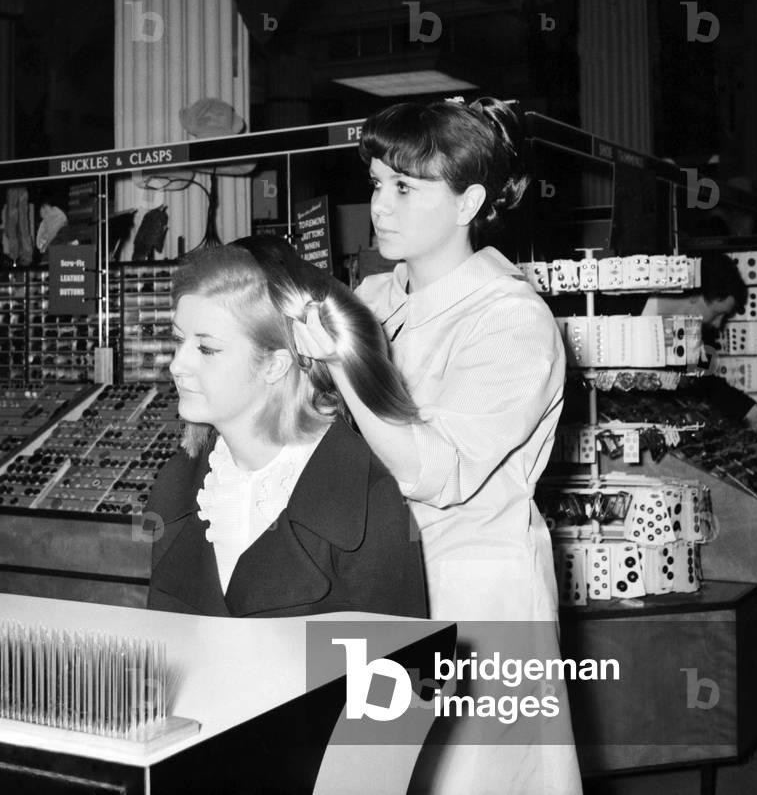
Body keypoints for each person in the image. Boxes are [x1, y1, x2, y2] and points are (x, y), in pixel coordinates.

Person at [295, 96, 582, 795]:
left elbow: (436, 469)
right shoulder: (373, 297)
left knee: (467, 778)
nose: (379, 206)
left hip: (472, 593)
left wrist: (342, 361)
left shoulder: (511, 318)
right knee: (373, 778)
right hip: (376, 580)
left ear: (468, 203)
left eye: (404, 187)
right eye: (376, 183)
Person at [145, 238, 427, 619]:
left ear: (275, 365)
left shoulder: (366, 499)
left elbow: (396, 655)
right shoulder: (178, 485)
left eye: (206, 349)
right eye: (179, 340)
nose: (177, 365)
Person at [639, 252, 757, 433]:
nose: (718, 324)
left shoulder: (694, 332)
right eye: (717, 313)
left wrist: (748, 409)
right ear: (694, 295)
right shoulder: (616, 306)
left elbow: (705, 381)